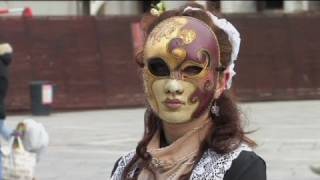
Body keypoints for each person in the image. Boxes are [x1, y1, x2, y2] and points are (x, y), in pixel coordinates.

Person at [111, 3, 266, 180]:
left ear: (221, 82)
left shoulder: (240, 169)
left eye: (192, 70)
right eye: (159, 68)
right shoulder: (127, 168)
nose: (173, 86)